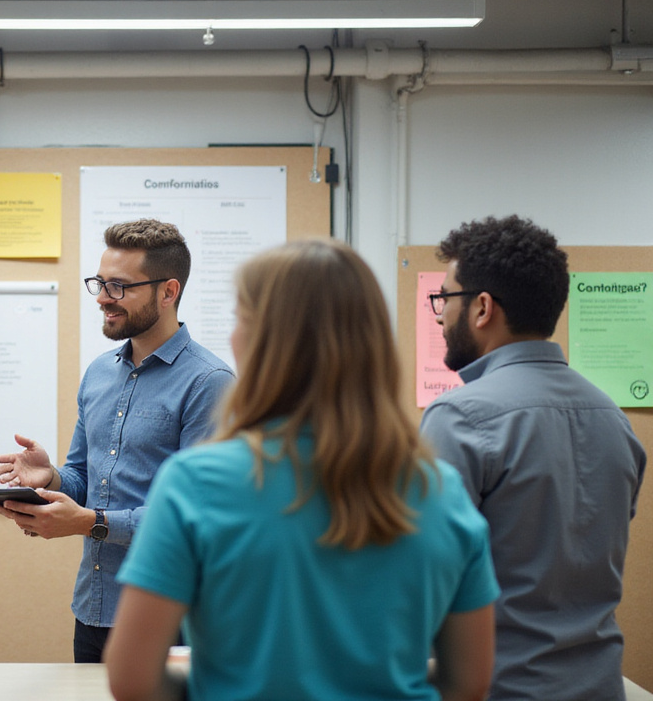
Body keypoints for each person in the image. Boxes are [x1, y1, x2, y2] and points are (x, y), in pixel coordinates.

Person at [106, 238, 498, 701]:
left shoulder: (196, 483)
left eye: (241, 320)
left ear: (264, 341)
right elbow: (470, 681)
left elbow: (132, 678)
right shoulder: (439, 489)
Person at [0, 218, 234, 663]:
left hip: (170, 616)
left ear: (168, 292)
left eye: (118, 286)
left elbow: (196, 520)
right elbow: (85, 480)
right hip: (94, 609)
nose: (102, 298)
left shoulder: (209, 383)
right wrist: (53, 479)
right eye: (100, 283)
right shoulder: (99, 372)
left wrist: (86, 522)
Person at [420, 216, 647, 701]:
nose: (438, 316)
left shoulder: (459, 416)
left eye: (443, 299)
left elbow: (425, 574)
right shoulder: (612, 418)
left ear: (482, 308)